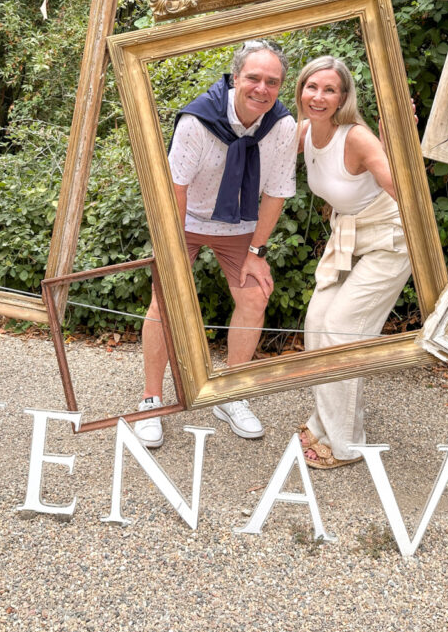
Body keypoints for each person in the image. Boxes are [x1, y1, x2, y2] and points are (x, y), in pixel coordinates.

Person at [134, 39, 297, 448]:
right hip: (184, 219)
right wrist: (171, 250)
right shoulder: (197, 120)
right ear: (235, 77)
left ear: (280, 86)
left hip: (240, 225)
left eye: (272, 82)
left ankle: (231, 394)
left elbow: (276, 192)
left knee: (255, 296)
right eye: (254, 78)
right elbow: (175, 189)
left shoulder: (282, 126)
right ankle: (151, 400)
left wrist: (257, 253)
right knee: (164, 298)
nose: (262, 89)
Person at [295, 56, 412, 470]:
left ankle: (346, 445)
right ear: (301, 89)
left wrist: (397, 141)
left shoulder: (358, 138)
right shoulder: (304, 131)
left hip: (390, 237)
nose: (319, 96)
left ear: (343, 97)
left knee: (343, 332)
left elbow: (407, 190)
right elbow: (261, 149)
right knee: (316, 324)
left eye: (330, 90)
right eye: (312, 87)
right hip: (348, 234)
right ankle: (324, 423)